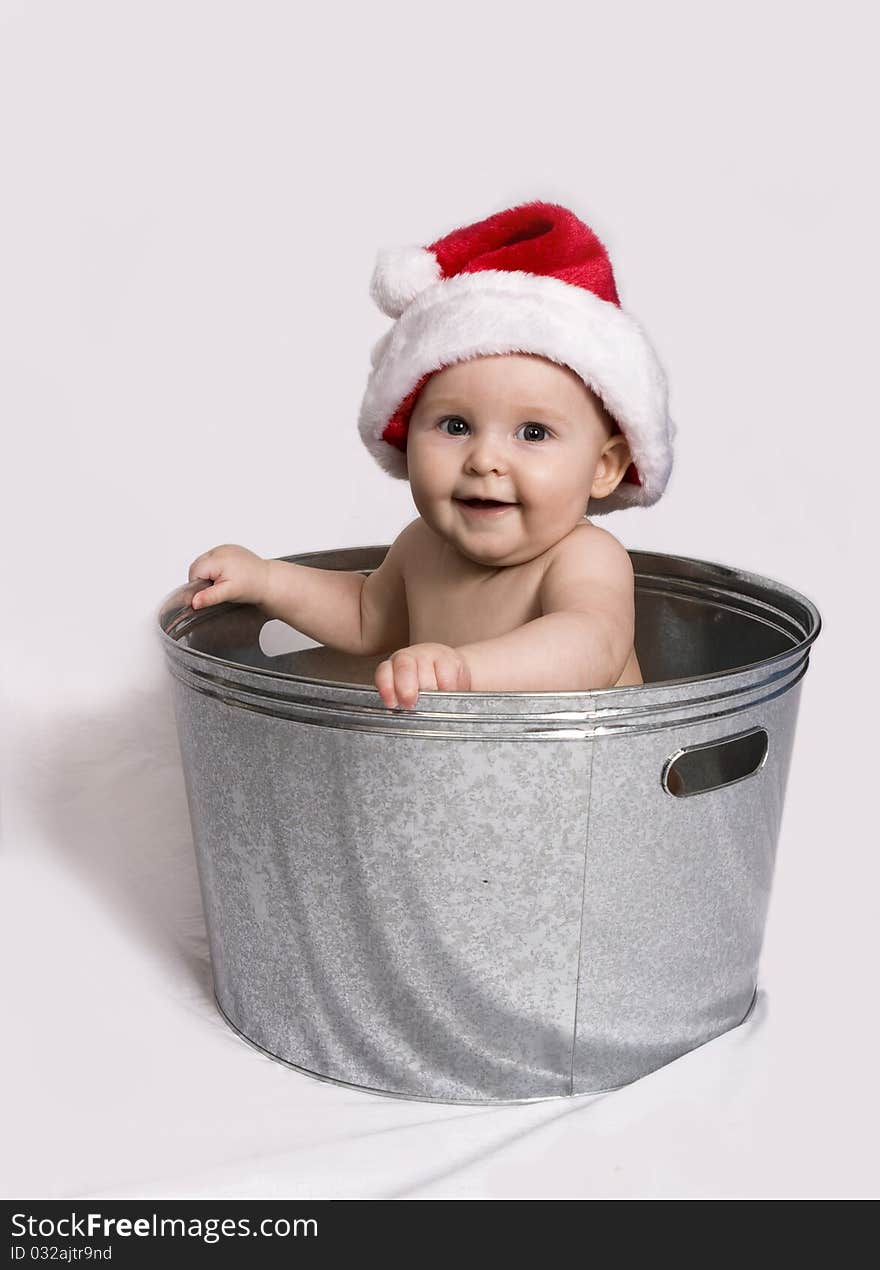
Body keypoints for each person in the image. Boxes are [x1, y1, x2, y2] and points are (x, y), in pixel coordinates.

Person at [187, 200, 675, 709]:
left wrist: (463, 670)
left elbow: (588, 647)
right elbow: (364, 616)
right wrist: (268, 579)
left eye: (533, 433)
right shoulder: (421, 548)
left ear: (604, 467)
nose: (485, 459)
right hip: (454, 783)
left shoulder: (582, 557)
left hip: (592, 783)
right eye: (456, 425)